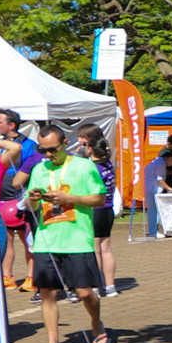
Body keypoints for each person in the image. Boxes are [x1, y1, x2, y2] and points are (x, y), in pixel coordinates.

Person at [25, 126, 110, 343]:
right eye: (43, 150)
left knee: (84, 293)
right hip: (46, 240)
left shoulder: (84, 166)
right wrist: (32, 199)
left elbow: (100, 198)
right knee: (47, 294)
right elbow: (29, 206)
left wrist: (69, 198)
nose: (48, 155)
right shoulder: (40, 168)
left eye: (52, 149)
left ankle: (96, 322)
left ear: (65, 143)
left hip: (76, 240)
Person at [0, 110, 40, 290]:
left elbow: (33, 170)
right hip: (2, 201)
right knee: (7, 239)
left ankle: (31, 277)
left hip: (20, 199)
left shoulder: (28, 145)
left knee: (27, 238)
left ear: (11, 125)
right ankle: (7, 276)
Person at [72, 123, 119, 297]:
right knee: (105, 248)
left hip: (96, 210)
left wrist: (80, 159)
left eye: (83, 140)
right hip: (108, 210)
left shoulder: (91, 167)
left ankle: (95, 287)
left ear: (90, 146)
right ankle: (110, 286)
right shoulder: (108, 164)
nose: (79, 143)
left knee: (95, 248)